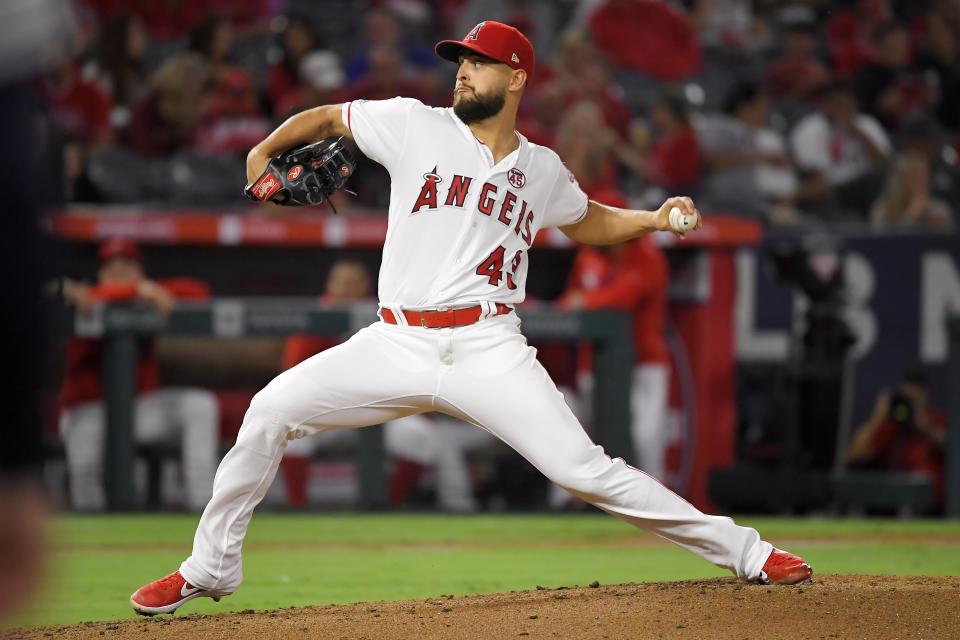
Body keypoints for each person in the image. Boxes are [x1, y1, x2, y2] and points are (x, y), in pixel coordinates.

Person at [130, 20, 811, 616]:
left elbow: (591, 220)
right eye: (459, 62)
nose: (462, 72)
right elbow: (329, 119)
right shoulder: (413, 122)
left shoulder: (541, 169)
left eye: (477, 62)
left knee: (586, 471)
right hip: (396, 339)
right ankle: (210, 566)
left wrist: (653, 218)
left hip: (489, 345)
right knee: (270, 410)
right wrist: (259, 154)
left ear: (515, 77)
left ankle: (747, 552)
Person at [279, 261, 495, 512]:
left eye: (353, 283)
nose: (346, 289)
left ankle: (383, 509)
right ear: (329, 286)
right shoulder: (314, 318)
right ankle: (298, 509)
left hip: (378, 407)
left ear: (366, 287)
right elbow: (293, 374)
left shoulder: (385, 314)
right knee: (293, 437)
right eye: (340, 283)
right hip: (330, 407)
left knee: (422, 439)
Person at [58, 238, 219, 511]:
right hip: (89, 411)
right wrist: (133, 290)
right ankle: (92, 532)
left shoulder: (147, 297)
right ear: (100, 274)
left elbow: (199, 292)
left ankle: (203, 508)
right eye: (111, 267)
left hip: (140, 409)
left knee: (200, 405)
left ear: (141, 272)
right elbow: (60, 291)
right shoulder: (84, 302)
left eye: (127, 267)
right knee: (85, 475)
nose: (119, 272)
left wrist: (145, 290)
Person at [557, 190, 671, 482]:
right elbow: (569, 300)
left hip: (645, 362)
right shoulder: (589, 255)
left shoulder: (646, 253)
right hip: (594, 361)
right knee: (592, 442)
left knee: (645, 438)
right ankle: (586, 513)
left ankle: (658, 510)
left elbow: (623, 297)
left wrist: (586, 301)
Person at [846, 370, 947, 509]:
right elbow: (854, 454)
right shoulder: (893, 426)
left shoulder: (936, 420)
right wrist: (877, 418)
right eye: (907, 398)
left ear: (926, 397)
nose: (910, 404)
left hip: (934, 507)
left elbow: (951, 448)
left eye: (914, 399)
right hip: (895, 505)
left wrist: (926, 428)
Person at [869, 152, 954, 231]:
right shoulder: (883, 210)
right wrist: (910, 217)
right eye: (914, 178)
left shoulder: (940, 210)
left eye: (923, 178)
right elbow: (883, 242)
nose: (921, 183)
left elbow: (950, 242)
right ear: (901, 182)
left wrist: (940, 226)